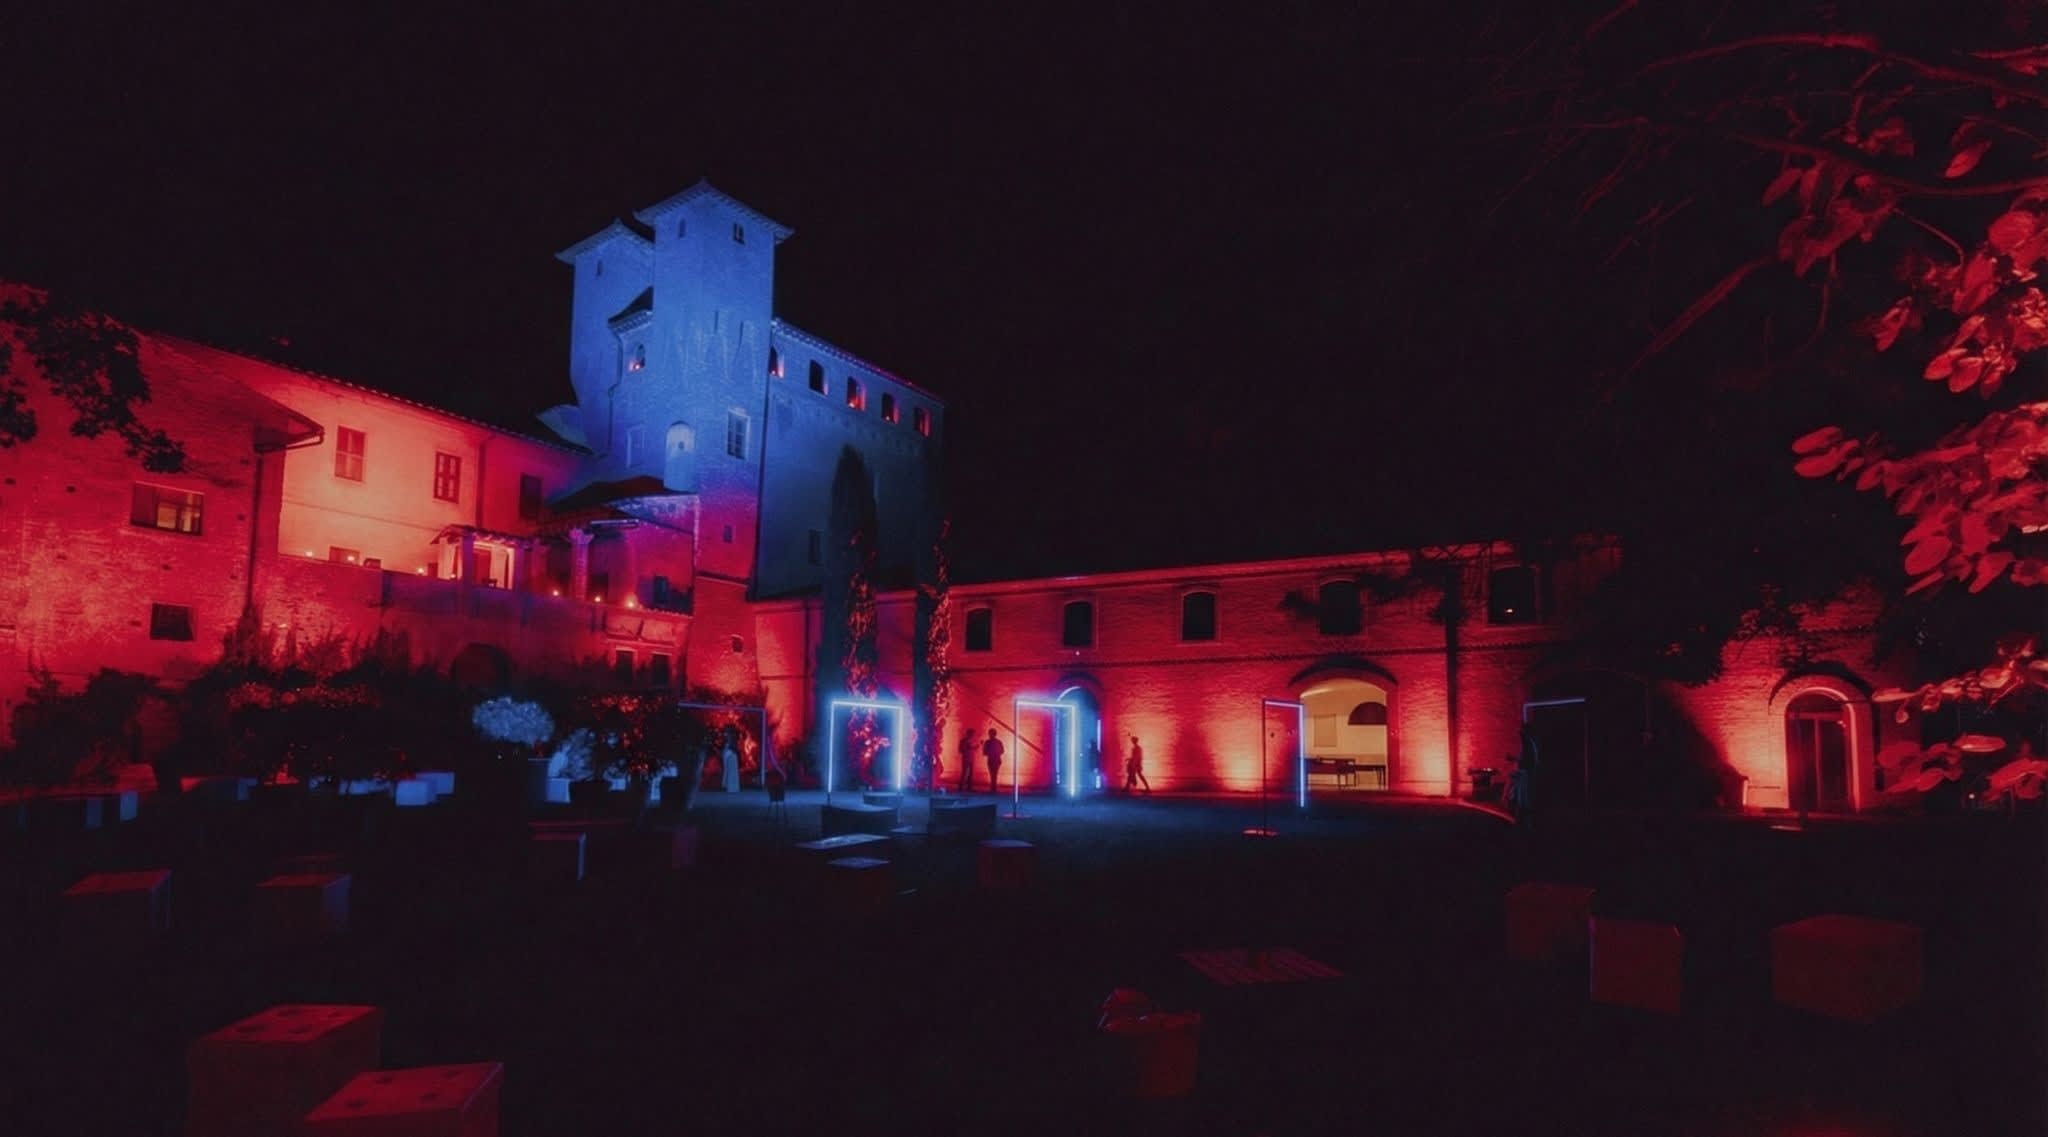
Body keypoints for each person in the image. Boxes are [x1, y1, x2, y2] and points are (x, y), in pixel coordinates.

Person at [982, 727, 1005, 795]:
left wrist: (989, 752)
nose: (990, 735)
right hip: (996, 760)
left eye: (990, 733)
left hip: (992, 760)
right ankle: (993, 788)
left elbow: (984, 752)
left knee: (992, 774)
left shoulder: (988, 742)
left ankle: (993, 788)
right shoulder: (998, 742)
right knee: (994, 774)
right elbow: (1002, 751)